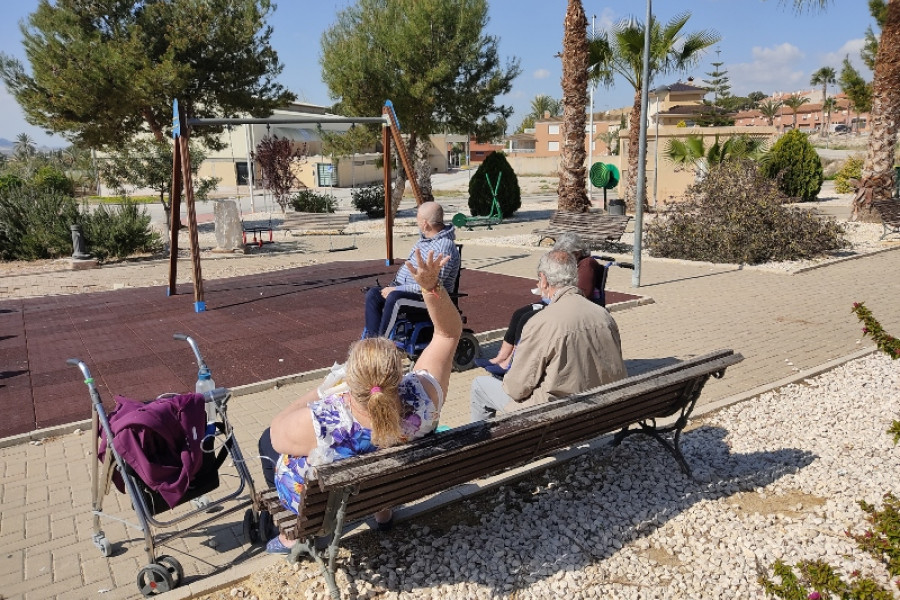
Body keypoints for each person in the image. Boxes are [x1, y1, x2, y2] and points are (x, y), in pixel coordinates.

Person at [258, 249, 462, 553]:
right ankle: (382, 511)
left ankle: (293, 536)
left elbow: (277, 433)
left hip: (326, 503)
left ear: (351, 383)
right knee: (380, 458)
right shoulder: (424, 395)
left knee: (265, 443)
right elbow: (447, 334)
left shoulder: (325, 420)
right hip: (390, 485)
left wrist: (321, 390)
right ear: (400, 373)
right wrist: (431, 288)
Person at [470, 249, 627, 421]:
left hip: (554, 416)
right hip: (603, 410)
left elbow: (516, 388)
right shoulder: (604, 315)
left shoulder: (541, 322)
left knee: (480, 386)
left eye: (539, 280)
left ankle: (481, 445)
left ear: (544, 279)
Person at [477, 233, 607, 373]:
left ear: (577, 252)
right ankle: (501, 357)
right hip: (560, 300)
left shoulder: (587, 264)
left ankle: (511, 362)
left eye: (565, 254)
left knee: (526, 318)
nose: (562, 259)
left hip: (572, 305)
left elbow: (582, 292)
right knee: (519, 314)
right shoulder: (576, 263)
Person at [363, 201, 460, 338]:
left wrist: (396, 290)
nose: (417, 223)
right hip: (405, 290)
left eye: (418, 219)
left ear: (425, 224)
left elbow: (433, 286)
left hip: (429, 298)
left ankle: (381, 346)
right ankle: (371, 344)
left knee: (394, 298)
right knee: (373, 294)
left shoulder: (443, 247)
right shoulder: (423, 241)